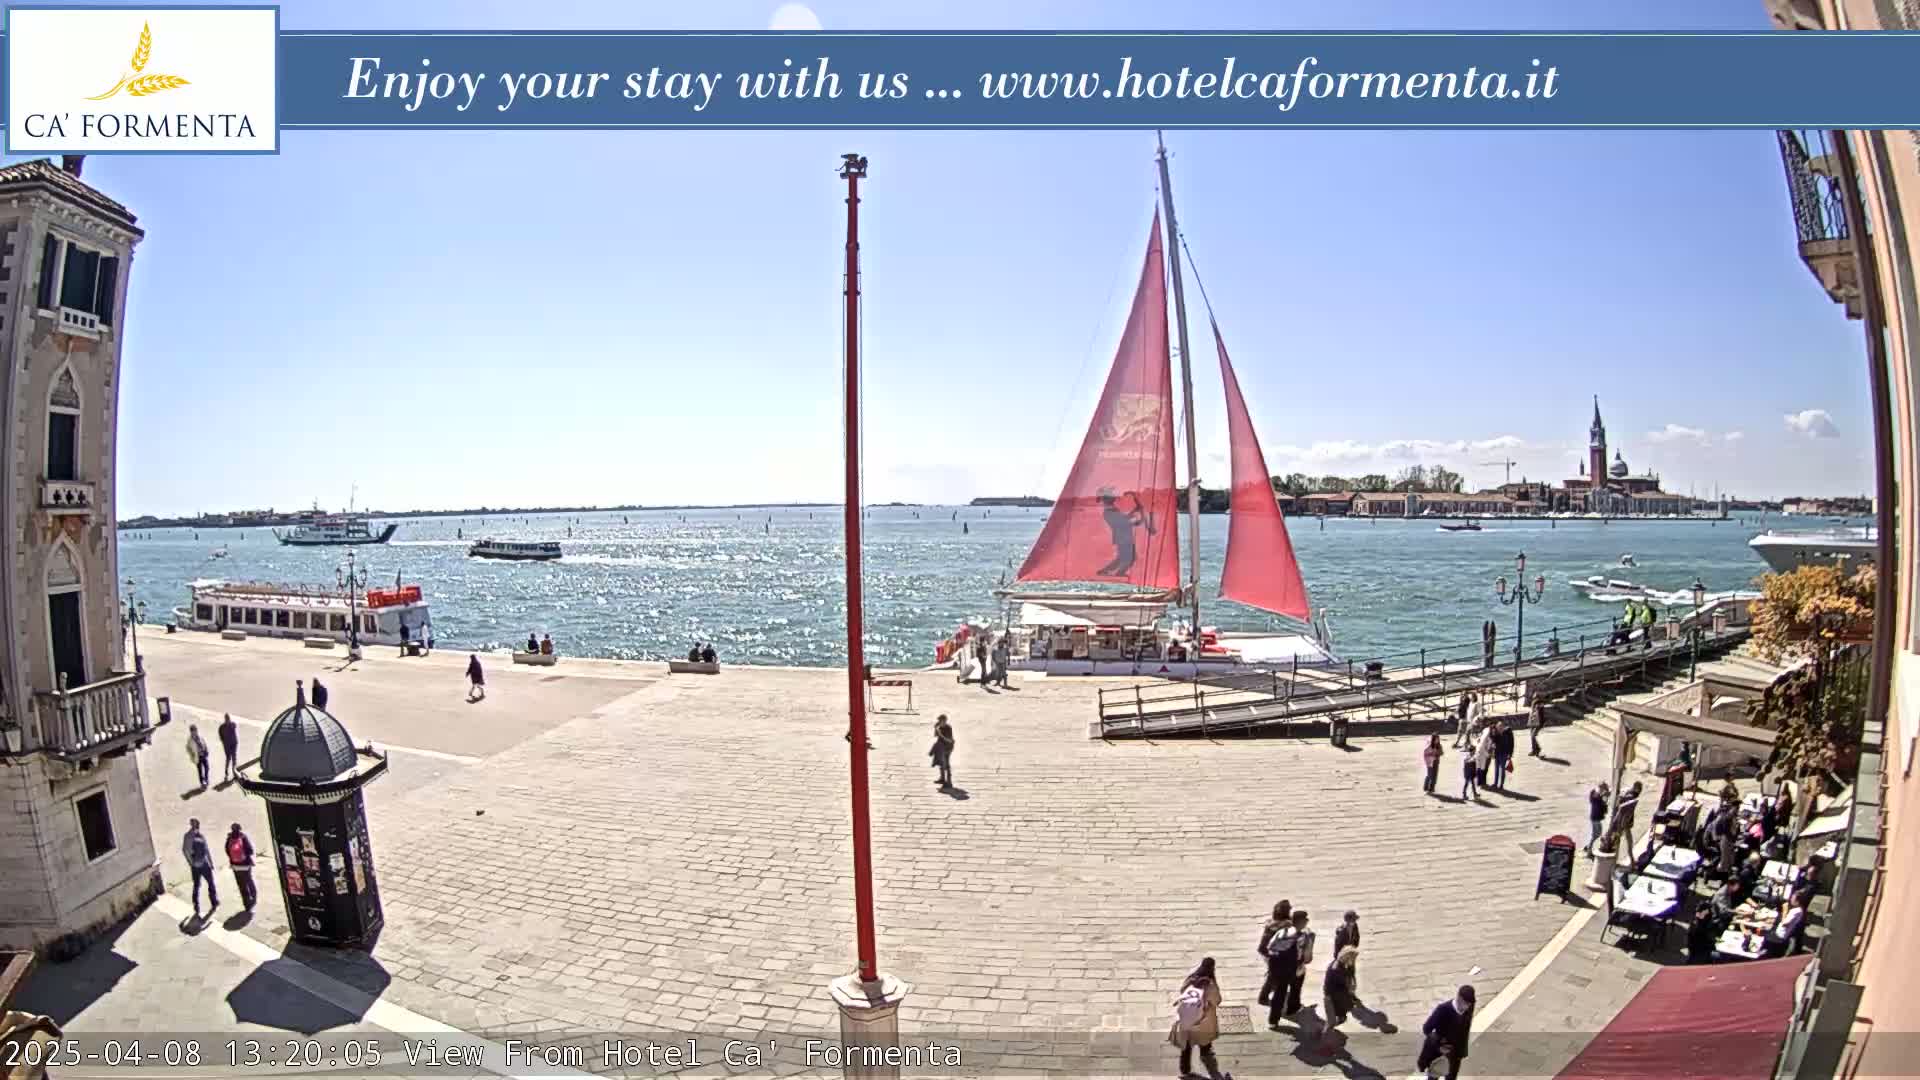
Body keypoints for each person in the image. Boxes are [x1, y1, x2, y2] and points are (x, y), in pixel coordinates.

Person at [1168, 957, 1230, 1080]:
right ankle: (1210, 1064)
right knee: (1205, 1044)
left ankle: (1185, 1071)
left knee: (1186, 1048)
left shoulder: (1191, 978)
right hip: (1203, 1022)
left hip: (1187, 1020)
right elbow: (1217, 1000)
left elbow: (1182, 991)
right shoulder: (1210, 984)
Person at [1417, 985, 1475, 1080]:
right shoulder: (1443, 1009)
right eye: (1465, 1004)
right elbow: (1426, 1028)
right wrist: (1438, 1045)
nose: (1466, 1007)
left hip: (1455, 1053)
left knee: (1451, 1077)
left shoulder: (1469, 1007)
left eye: (1468, 1005)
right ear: (1459, 998)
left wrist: (1462, 1052)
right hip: (1440, 1051)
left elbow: (1465, 1030)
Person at [1256, 900, 1292, 1012]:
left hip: (1275, 955)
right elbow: (1264, 947)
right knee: (1273, 977)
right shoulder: (1278, 926)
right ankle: (1263, 998)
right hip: (1275, 956)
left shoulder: (1277, 923)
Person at [1319, 946, 1359, 1048]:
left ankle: (1327, 1032)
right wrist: (1350, 988)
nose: (1354, 961)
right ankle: (1324, 1042)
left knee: (1340, 1018)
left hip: (1338, 997)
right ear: (1347, 957)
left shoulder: (1342, 964)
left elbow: (1349, 977)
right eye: (1353, 958)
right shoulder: (1336, 969)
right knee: (1331, 1022)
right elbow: (1345, 984)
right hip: (1331, 998)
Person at [1281, 909, 1315, 1018]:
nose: (1307, 921)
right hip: (1294, 967)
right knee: (1295, 988)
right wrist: (1310, 941)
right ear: (1300, 922)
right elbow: (1306, 957)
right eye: (1305, 920)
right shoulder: (1299, 936)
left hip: (1289, 966)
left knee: (1292, 988)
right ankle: (1292, 1008)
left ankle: (1290, 1006)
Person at [183, 818, 218, 915]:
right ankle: (214, 901)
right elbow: (206, 850)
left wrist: (191, 863)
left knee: (196, 885)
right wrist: (210, 863)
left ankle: (196, 905)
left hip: (195, 866)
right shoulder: (201, 836)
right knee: (210, 882)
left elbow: (185, 851)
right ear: (198, 826)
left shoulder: (187, 836)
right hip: (204, 864)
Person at [225, 823, 257, 911]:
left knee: (242, 886)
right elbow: (250, 851)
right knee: (249, 880)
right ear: (239, 829)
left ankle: (247, 905)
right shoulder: (243, 837)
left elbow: (227, 851)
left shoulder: (229, 839)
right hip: (245, 865)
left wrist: (234, 859)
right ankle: (253, 894)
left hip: (235, 867)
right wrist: (245, 856)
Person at [1333, 911, 1362, 998]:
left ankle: (1352, 992)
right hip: (1343, 955)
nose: (1355, 921)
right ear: (1348, 920)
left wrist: (1353, 946)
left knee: (1351, 972)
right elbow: (1337, 945)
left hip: (1350, 953)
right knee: (1343, 973)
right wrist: (1339, 957)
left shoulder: (1355, 926)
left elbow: (1357, 936)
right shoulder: (1341, 930)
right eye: (1353, 920)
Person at [930, 714, 955, 788]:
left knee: (946, 763)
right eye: (939, 721)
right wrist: (935, 729)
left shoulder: (948, 728)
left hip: (948, 748)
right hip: (941, 748)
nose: (940, 722)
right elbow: (935, 735)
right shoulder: (939, 727)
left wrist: (940, 734)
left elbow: (949, 740)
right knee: (941, 763)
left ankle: (949, 781)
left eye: (941, 721)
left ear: (945, 721)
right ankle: (942, 779)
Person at [1587, 781, 1611, 855]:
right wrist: (1604, 796)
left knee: (1596, 834)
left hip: (1596, 818)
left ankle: (1589, 847)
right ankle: (1589, 850)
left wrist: (1605, 797)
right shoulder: (1595, 794)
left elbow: (1603, 804)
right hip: (1595, 818)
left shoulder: (1597, 795)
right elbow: (1597, 799)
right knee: (1596, 835)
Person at [1491, 719, 1515, 789]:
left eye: (1501, 726)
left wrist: (1510, 754)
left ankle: (1501, 784)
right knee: (1496, 769)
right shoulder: (1496, 734)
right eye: (1498, 726)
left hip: (1504, 754)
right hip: (1497, 754)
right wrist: (1493, 734)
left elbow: (1511, 744)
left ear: (1503, 727)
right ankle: (1495, 783)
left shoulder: (1507, 734)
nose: (1499, 728)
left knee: (1502, 770)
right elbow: (1493, 742)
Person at [186, 724, 210, 790]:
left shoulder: (200, 736)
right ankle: (202, 783)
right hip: (197, 757)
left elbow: (204, 743)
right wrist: (192, 755)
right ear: (191, 732)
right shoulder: (190, 740)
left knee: (207, 767)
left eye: (196, 730)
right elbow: (188, 748)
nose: (195, 732)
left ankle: (206, 779)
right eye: (193, 731)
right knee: (200, 770)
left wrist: (206, 750)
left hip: (204, 754)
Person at [217, 713, 239, 783]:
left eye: (228, 719)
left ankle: (234, 772)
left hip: (233, 744)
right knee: (228, 758)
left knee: (234, 758)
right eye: (227, 719)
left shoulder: (232, 724)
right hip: (227, 745)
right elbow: (221, 737)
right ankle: (226, 772)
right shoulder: (221, 727)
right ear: (225, 719)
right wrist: (224, 743)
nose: (228, 720)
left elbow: (234, 725)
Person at [1473, 724, 1495, 790]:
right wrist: (1487, 754)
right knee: (1481, 768)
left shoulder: (1487, 733)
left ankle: (1481, 783)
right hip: (1482, 754)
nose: (1493, 731)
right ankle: (1480, 783)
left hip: (1483, 753)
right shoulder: (1486, 735)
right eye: (1493, 730)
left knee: (1482, 768)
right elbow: (1481, 746)